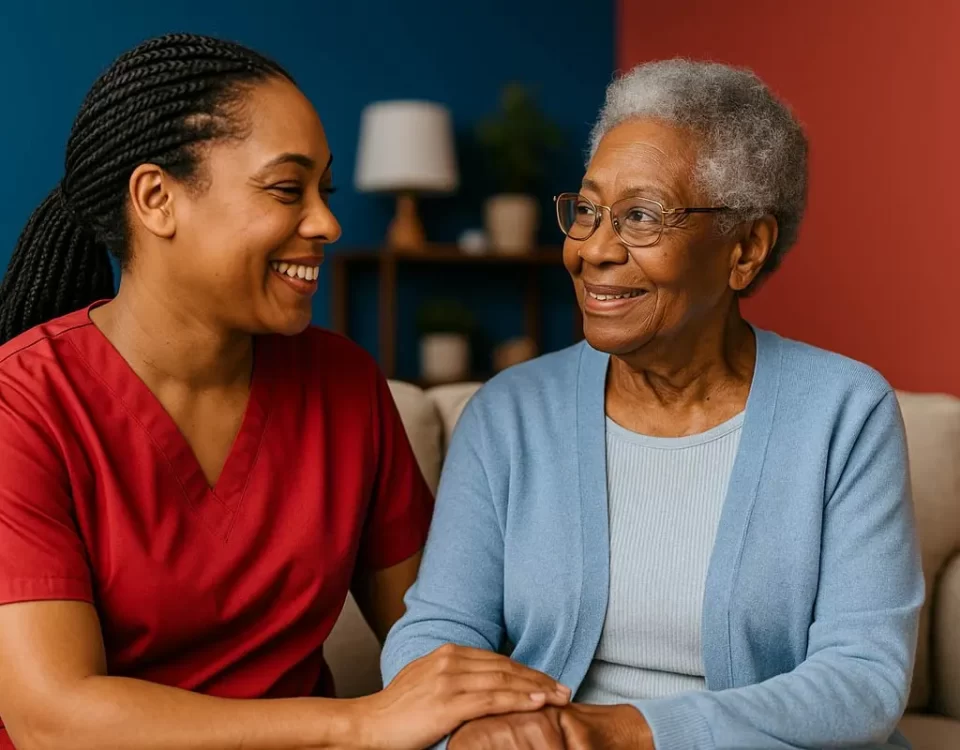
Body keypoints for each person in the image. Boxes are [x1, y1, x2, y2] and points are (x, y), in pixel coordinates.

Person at [0, 33, 570, 750]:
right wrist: (358, 725)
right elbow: (51, 718)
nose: (326, 223)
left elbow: (433, 629)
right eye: (284, 188)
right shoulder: (21, 406)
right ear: (156, 199)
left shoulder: (345, 387)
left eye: (324, 191)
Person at [381, 59, 924, 750]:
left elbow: (862, 682)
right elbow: (436, 630)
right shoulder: (511, 413)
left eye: (640, 216)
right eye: (586, 210)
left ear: (745, 250)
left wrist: (627, 732)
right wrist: (488, 727)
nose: (593, 249)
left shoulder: (844, 412)